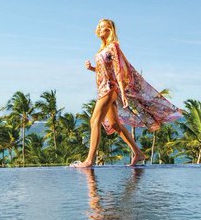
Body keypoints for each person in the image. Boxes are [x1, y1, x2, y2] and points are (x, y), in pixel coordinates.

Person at [70, 18, 182, 168]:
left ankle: (89, 160)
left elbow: (118, 71)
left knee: (94, 121)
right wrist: (92, 68)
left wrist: (122, 93)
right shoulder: (103, 49)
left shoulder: (113, 47)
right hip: (104, 88)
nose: (100, 29)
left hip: (109, 89)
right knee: (115, 124)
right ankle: (138, 153)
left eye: (104, 27)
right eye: (100, 26)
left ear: (110, 30)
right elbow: (105, 71)